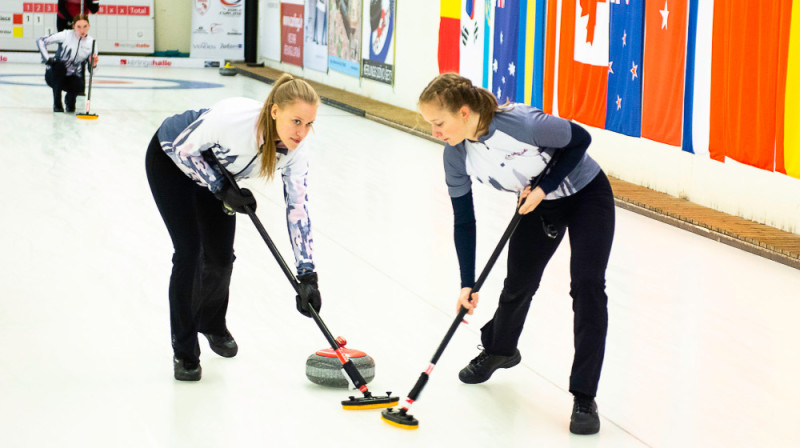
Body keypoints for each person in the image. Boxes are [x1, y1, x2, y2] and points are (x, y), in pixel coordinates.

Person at [418, 73, 615, 435]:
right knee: (518, 284)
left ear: (464, 113)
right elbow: (465, 220)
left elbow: (581, 140)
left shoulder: (522, 124)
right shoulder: (456, 156)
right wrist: (467, 283)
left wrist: (545, 188)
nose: (435, 132)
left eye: (439, 123)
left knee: (587, 288)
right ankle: (500, 350)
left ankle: (584, 396)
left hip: (588, 195)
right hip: (538, 206)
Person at [144, 74, 323, 381]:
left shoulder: (296, 150)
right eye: (296, 121)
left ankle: (211, 323)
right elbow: (183, 149)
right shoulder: (234, 118)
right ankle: (185, 351)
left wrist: (307, 274)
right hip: (171, 160)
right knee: (189, 252)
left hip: (216, 176)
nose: (302, 132)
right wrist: (220, 188)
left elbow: (298, 208)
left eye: (309, 124)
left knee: (221, 258)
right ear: (275, 111)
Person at [36, 14, 98, 113]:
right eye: (79, 27)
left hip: (71, 76)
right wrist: (48, 59)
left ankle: (70, 102)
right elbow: (40, 41)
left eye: (85, 26)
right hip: (54, 74)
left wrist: (93, 64)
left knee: (79, 84)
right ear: (73, 27)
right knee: (60, 67)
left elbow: (92, 73)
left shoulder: (92, 43)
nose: (82, 30)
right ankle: (57, 104)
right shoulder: (65, 35)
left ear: (89, 26)